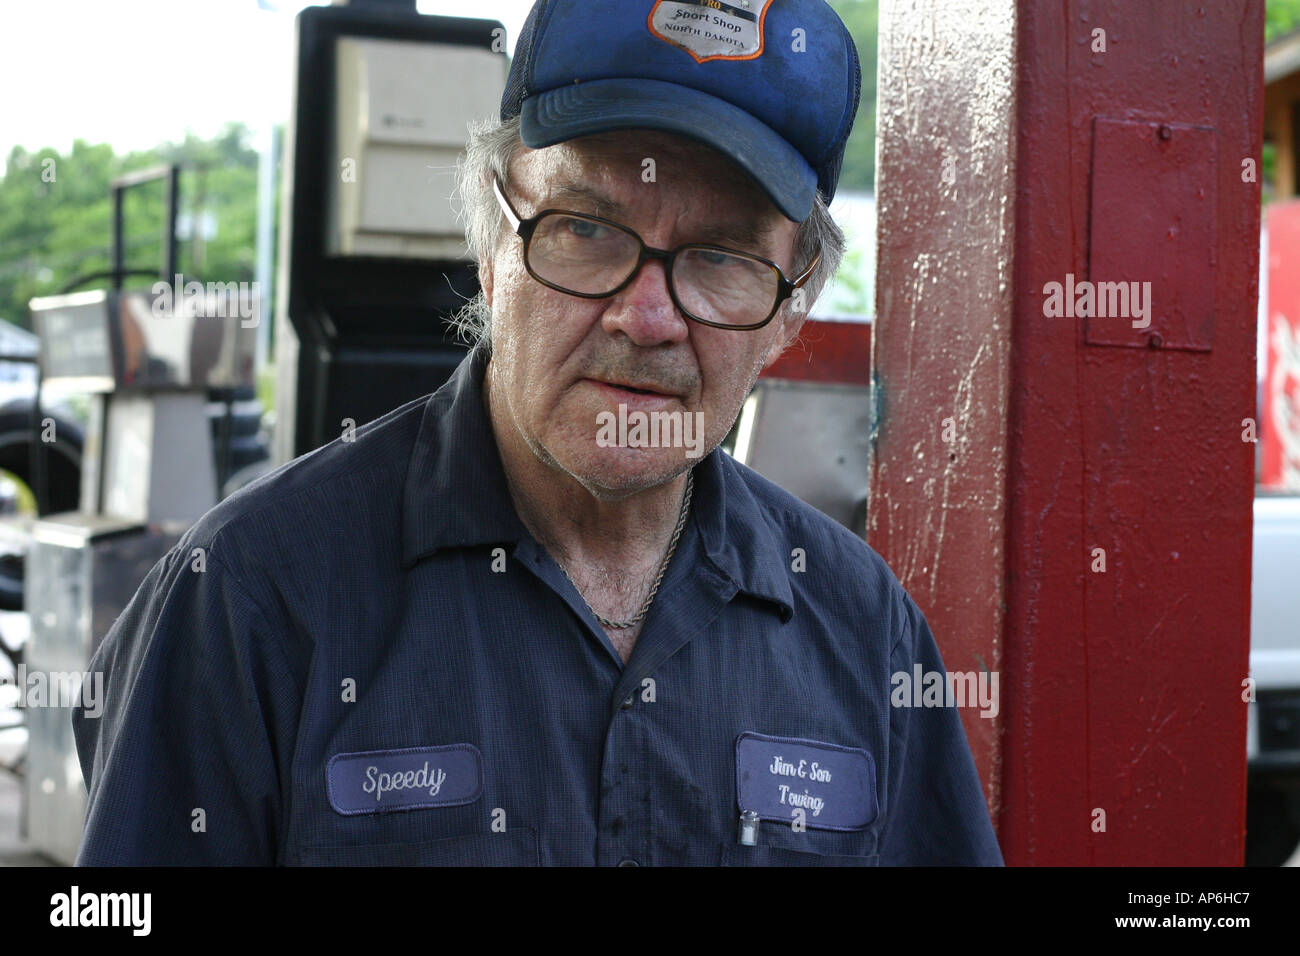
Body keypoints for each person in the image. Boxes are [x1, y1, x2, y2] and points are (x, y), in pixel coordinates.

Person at [72, 0, 1003, 866]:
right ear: (489, 244)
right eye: (587, 229)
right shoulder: (247, 600)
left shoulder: (864, 631)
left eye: (721, 257)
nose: (647, 318)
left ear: (789, 312)